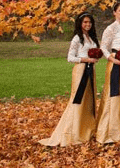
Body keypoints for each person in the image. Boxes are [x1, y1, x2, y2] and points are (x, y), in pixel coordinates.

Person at [39, 12, 100, 146]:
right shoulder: (77, 38)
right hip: (81, 70)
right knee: (78, 99)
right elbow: (70, 57)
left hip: (91, 71)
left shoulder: (92, 37)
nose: (87, 24)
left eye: (89, 22)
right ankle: (72, 132)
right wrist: (86, 59)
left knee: (88, 100)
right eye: (85, 22)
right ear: (80, 23)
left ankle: (85, 130)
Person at [95, 2, 120, 144]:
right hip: (116, 65)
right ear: (114, 12)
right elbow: (104, 48)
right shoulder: (110, 28)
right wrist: (114, 60)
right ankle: (110, 132)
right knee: (115, 96)